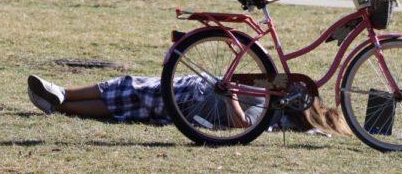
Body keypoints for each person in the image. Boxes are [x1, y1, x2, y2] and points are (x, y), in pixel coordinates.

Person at [26, 74, 351, 136]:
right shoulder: (271, 105)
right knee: (124, 107)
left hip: (191, 98)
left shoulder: (267, 113)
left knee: (128, 88)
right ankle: (59, 103)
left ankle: (62, 93)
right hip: (191, 101)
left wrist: (232, 95)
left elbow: (242, 125)